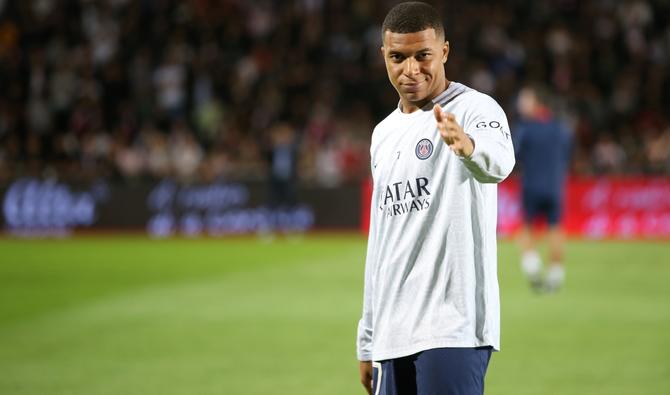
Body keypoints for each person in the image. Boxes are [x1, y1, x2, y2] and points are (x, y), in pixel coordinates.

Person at [356, 2, 515, 395]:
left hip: (453, 328)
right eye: (398, 57)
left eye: (422, 55)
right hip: (392, 335)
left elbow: (500, 163)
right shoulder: (383, 134)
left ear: (444, 51)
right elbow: (381, 241)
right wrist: (368, 337)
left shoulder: (474, 108)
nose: (411, 69)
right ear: (384, 57)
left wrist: (467, 146)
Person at [513, 85, 572, 292]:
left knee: (525, 229)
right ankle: (555, 277)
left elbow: (515, 156)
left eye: (524, 100)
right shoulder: (560, 127)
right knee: (555, 229)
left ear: (536, 102)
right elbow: (567, 153)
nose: (520, 104)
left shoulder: (525, 129)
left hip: (531, 186)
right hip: (555, 186)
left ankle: (534, 270)